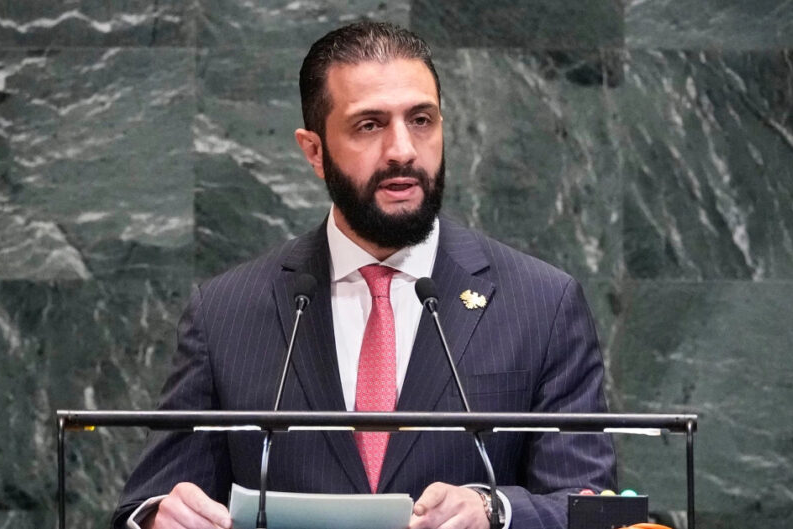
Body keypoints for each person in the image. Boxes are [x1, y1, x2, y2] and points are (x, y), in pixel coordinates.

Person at [112, 21, 615, 529]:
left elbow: (590, 505)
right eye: (369, 125)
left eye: (421, 120)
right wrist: (157, 518)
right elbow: (150, 502)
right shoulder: (226, 313)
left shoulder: (542, 303)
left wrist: (495, 509)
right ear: (314, 151)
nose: (403, 150)